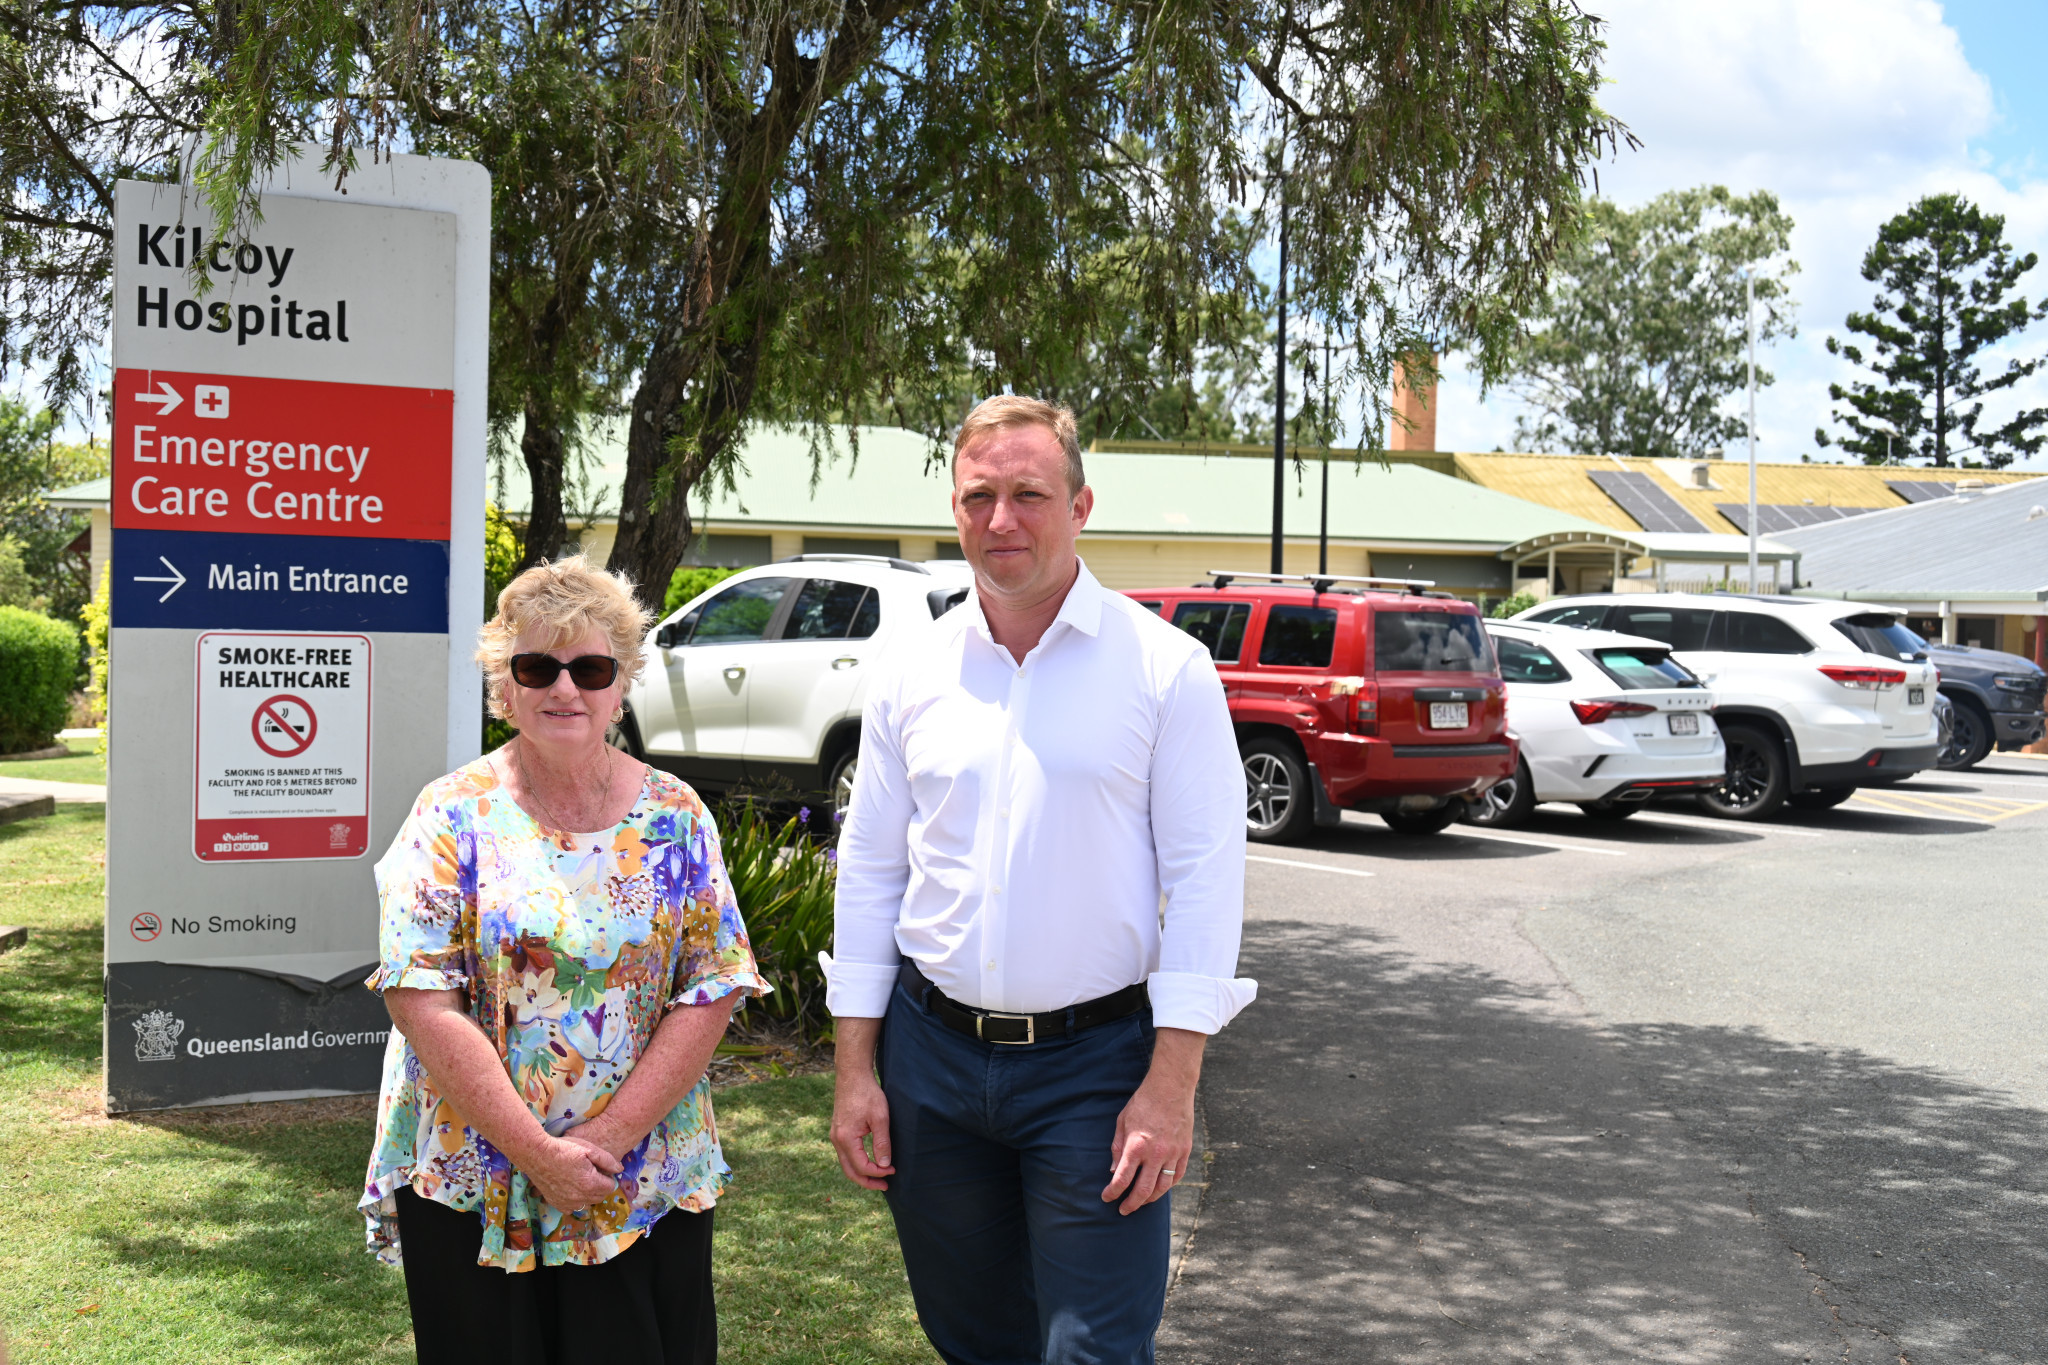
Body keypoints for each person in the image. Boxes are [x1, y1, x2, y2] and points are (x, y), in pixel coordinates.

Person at [828, 395, 1256, 1365]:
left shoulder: (1165, 670)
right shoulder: (909, 671)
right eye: (979, 496)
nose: (1000, 520)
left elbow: (1203, 883)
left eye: (1028, 493)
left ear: (1080, 505)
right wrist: (857, 1068)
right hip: (930, 1064)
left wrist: (1170, 1087)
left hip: (1095, 1073)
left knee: (1090, 1350)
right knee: (973, 1340)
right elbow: (868, 871)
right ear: (953, 506)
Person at [359, 555, 767, 1365]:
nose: (564, 688)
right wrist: (539, 1154)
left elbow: (712, 985)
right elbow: (419, 996)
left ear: (621, 683)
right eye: (537, 666)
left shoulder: (677, 815)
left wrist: (604, 1142)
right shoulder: (449, 813)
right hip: (475, 1171)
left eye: (589, 667)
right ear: (503, 685)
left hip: (639, 1177)